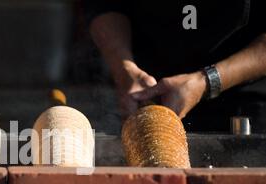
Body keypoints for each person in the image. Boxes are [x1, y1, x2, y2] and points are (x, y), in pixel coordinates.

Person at [85, 0, 266, 132]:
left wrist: (207, 81)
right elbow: (105, 5)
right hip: (146, 98)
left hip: (245, 111)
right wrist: (125, 69)